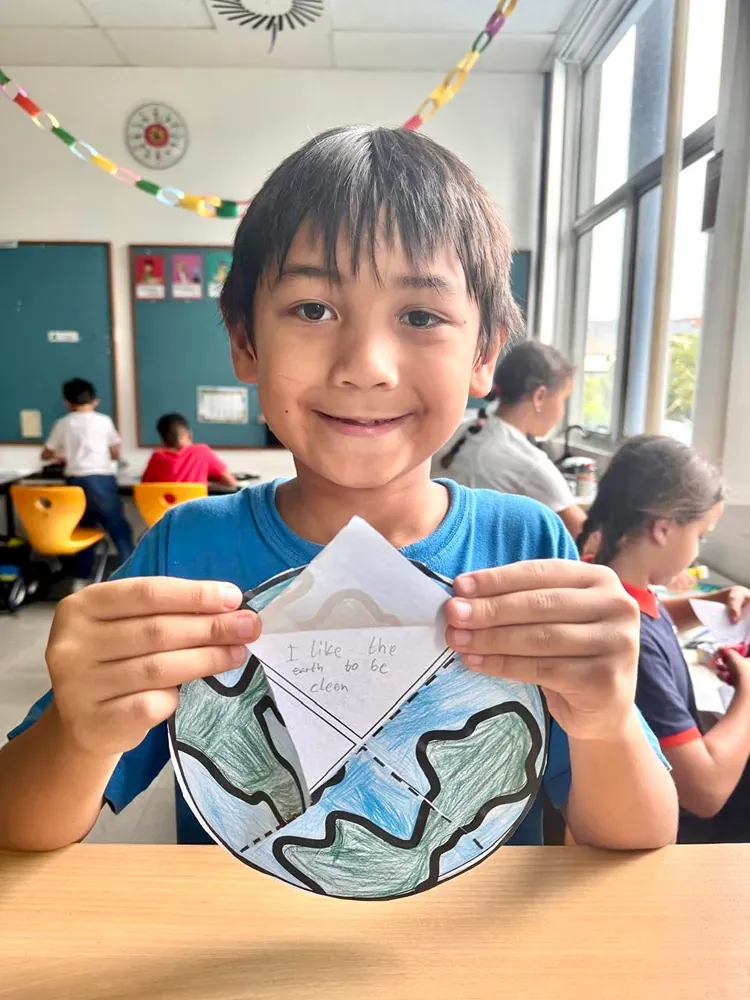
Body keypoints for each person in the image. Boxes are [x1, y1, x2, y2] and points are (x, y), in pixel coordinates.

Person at [0, 126, 676, 853]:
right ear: (244, 343)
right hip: (243, 953)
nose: (367, 366)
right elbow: (18, 826)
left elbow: (638, 836)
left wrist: (605, 720)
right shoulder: (189, 548)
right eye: (313, 310)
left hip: (474, 961)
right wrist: (78, 731)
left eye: (421, 315)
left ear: (485, 356)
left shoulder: (528, 545)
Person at [577, 435, 750, 842]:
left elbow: (646, 615)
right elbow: (705, 793)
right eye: (700, 536)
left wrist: (711, 604)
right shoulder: (630, 643)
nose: (697, 551)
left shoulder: (604, 581)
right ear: (663, 529)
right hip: (680, 836)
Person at [440, 341, 588, 539]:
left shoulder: (458, 431)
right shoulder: (529, 463)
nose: (562, 412)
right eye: (563, 399)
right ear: (540, 396)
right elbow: (586, 535)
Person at [41, 378, 134, 584]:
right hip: (101, 480)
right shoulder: (104, 421)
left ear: (67, 403)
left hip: (75, 483)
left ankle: (80, 578)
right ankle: (132, 575)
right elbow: (116, 452)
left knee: (83, 529)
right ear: (95, 401)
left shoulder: (63, 423)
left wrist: (62, 456)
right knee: (119, 529)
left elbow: (46, 454)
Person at [142, 413, 237, 487]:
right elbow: (231, 483)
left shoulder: (156, 457)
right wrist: (206, 483)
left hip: (164, 511)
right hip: (195, 511)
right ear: (189, 434)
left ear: (162, 439)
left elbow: (145, 485)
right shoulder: (202, 451)